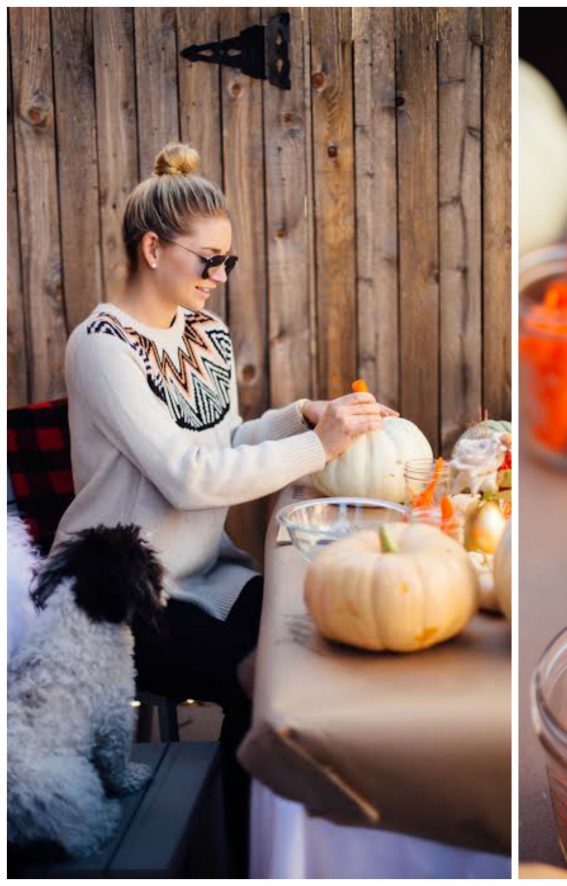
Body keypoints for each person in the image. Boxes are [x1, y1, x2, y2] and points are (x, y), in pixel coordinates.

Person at [52, 143, 395, 874]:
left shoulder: (204, 333)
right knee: (261, 679)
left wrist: (302, 416)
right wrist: (322, 450)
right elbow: (187, 476)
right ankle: (243, 861)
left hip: (208, 573)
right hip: (118, 594)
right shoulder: (100, 347)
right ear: (151, 248)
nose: (219, 277)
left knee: (312, 639)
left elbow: (225, 439)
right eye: (208, 259)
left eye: (227, 262)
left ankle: (323, 850)